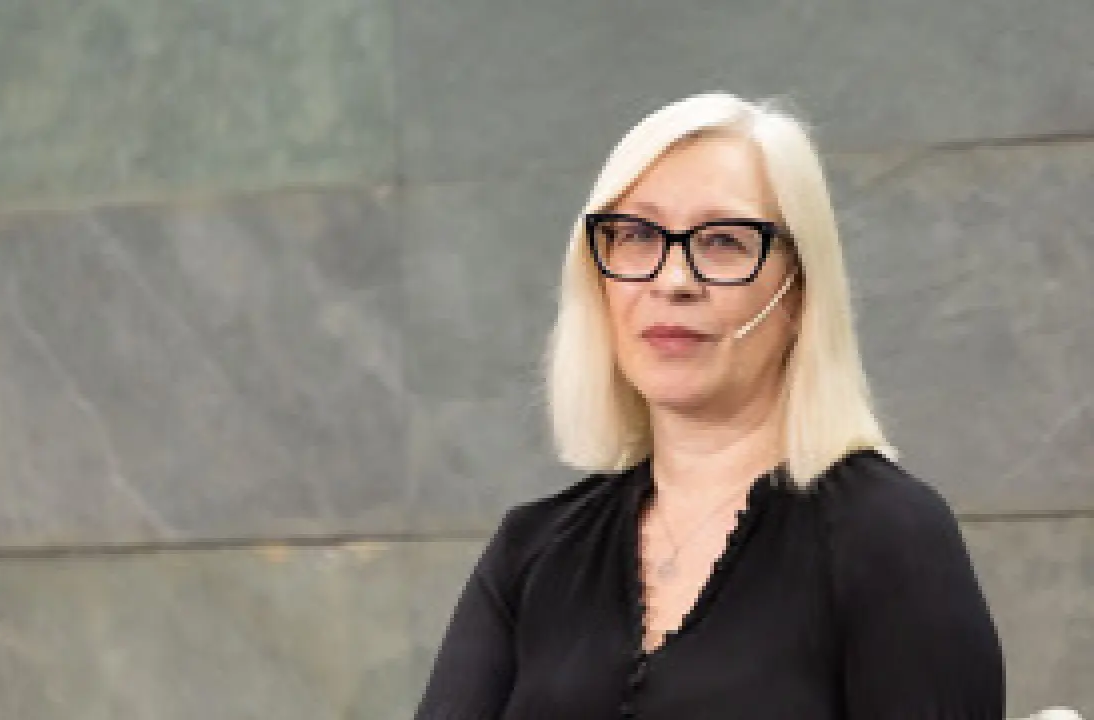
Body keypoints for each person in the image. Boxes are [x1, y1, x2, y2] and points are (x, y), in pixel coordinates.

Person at [415, 93, 1005, 719]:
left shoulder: (889, 534)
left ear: (799, 291)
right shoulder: (533, 551)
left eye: (724, 240)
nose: (672, 281)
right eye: (636, 236)